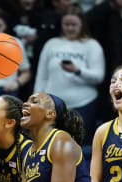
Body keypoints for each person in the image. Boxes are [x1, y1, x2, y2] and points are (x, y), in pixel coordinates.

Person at [34, 5, 105, 145]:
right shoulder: (51, 44)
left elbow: (99, 76)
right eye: (66, 24)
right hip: (52, 107)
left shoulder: (92, 45)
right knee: (50, 146)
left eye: (74, 25)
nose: (70, 28)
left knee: (77, 148)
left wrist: (77, 71)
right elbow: (41, 76)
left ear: (81, 25)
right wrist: (36, 101)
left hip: (83, 105)